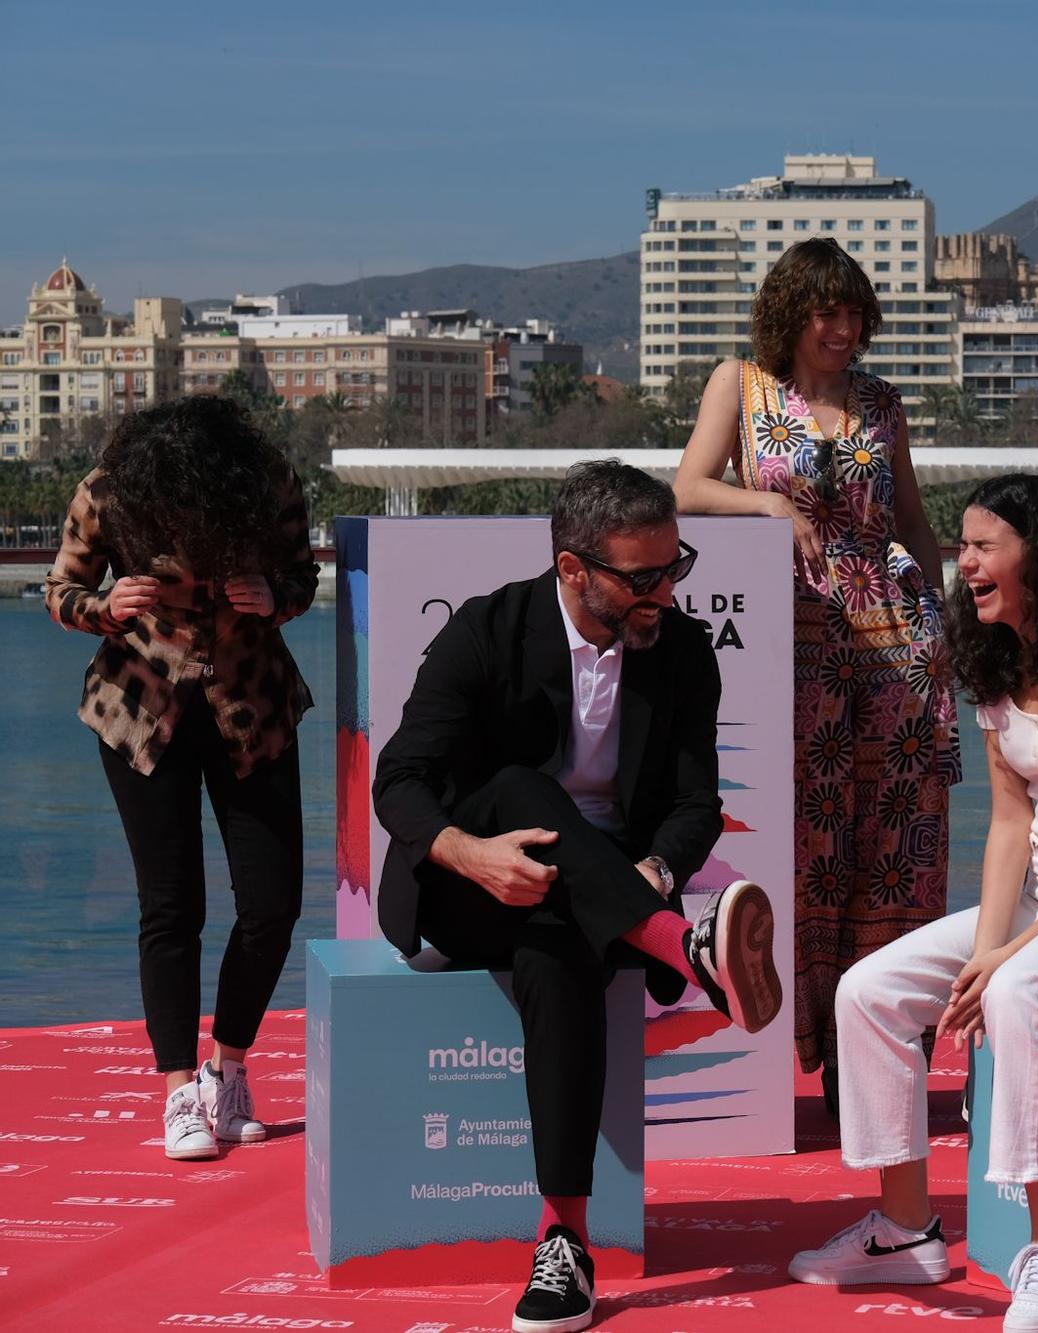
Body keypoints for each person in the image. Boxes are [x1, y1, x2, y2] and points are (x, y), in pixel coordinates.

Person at [788, 474, 1038, 1333]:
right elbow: (1010, 822)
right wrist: (986, 944)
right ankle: (904, 1227)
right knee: (866, 990)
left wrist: (1011, 959)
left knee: (1020, 990)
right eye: (964, 545)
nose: (964, 562)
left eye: (984, 546)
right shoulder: (993, 662)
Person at [373, 460, 782, 1333]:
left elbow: (694, 805)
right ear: (572, 568)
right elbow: (399, 782)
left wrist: (652, 875)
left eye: (676, 568)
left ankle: (564, 1241)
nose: (664, 594)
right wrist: (470, 854)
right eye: (642, 578)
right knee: (524, 787)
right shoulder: (486, 631)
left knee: (557, 945)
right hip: (463, 887)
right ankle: (684, 947)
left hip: (599, 900)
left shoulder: (680, 651)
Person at [675, 237, 959, 1112]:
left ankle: (868, 1057)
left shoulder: (883, 402)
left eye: (854, 314)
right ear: (791, 312)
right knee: (806, 851)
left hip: (896, 649)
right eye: (826, 311)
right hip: (793, 649)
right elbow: (686, 487)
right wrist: (766, 502)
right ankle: (789, 1044)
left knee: (894, 858)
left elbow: (911, 517)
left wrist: (950, 623)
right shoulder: (742, 385)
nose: (842, 329)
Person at [44, 396, 316, 1163]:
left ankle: (227, 1069)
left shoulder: (266, 479)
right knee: (172, 906)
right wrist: (103, 605)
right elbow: (59, 590)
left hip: (252, 708)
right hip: (140, 711)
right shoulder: (109, 488)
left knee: (273, 903)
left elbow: (303, 574)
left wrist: (277, 595)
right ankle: (176, 1095)